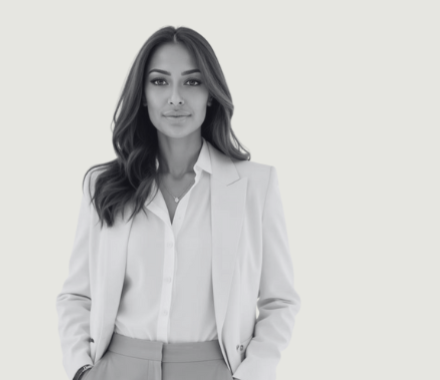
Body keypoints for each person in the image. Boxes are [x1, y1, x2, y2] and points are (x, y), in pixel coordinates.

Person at [56, 26, 301, 380]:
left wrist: (251, 374)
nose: (175, 98)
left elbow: (280, 301)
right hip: (117, 367)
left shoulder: (255, 186)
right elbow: (76, 295)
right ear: (142, 95)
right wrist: (81, 370)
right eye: (159, 82)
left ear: (211, 94)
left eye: (192, 82)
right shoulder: (105, 185)